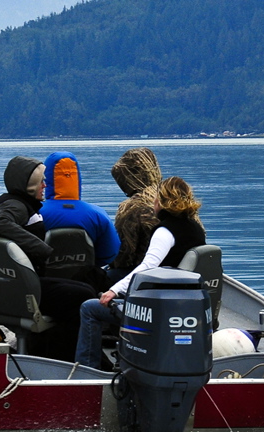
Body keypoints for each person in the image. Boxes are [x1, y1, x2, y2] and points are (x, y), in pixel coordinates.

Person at [75, 176, 207, 369]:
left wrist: (114, 291)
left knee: (90, 308)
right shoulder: (195, 229)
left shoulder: (165, 231)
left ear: (161, 201)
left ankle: (87, 369)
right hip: (183, 303)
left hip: (160, 309)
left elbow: (148, 266)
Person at [0, 155, 96, 359]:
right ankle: (63, 357)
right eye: (40, 182)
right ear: (28, 185)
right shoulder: (17, 206)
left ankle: (45, 348)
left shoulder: (8, 201)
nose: (45, 185)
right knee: (81, 297)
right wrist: (41, 247)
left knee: (86, 288)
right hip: (19, 290)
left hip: (7, 284)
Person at [40, 150, 120, 282]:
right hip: (86, 282)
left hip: (44, 282)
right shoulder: (98, 214)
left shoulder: (35, 213)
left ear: (46, 178)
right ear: (77, 177)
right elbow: (110, 252)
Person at [109, 147, 162, 276]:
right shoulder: (177, 199)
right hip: (180, 270)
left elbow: (123, 256)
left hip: (144, 274)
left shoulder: (133, 207)